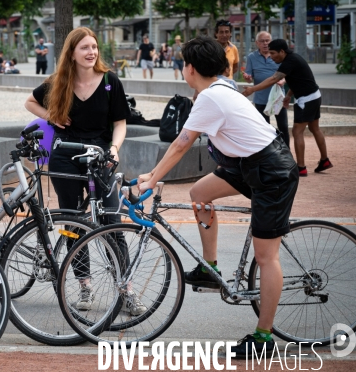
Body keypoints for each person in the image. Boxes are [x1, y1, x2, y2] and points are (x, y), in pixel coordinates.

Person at [137, 36, 299, 357]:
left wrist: (151, 179)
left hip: (271, 170)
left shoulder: (210, 98)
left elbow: (181, 144)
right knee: (199, 193)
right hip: (250, 163)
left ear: (190, 68)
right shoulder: (220, 87)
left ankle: (264, 338)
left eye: (183, 63)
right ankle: (210, 269)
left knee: (266, 257)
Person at [24, 27, 147, 316]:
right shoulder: (58, 82)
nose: (91, 52)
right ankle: (84, 285)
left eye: (94, 47)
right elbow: (29, 102)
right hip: (65, 156)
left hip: (101, 158)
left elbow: (120, 123)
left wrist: (114, 149)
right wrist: (50, 115)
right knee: (74, 224)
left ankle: (126, 289)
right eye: (84, 48)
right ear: (72, 53)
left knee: (111, 223)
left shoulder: (109, 81)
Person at [242, 39, 332, 177]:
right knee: (315, 128)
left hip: (306, 99)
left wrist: (252, 89)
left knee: (297, 132)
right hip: (314, 95)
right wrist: (289, 95)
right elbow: (299, 79)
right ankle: (324, 160)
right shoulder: (291, 59)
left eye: (273, 53)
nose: (271, 56)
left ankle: (301, 167)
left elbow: (274, 79)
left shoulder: (290, 61)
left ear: (282, 52)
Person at [243, 31, 290, 147]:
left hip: (278, 97)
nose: (265, 43)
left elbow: (288, 74)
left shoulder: (278, 55)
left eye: (267, 41)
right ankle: (267, 152)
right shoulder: (251, 57)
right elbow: (249, 77)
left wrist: (282, 81)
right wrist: (248, 78)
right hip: (261, 98)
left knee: (283, 125)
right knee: (264, 127)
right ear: (257, 43)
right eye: (262, 41)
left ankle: (287, 150)